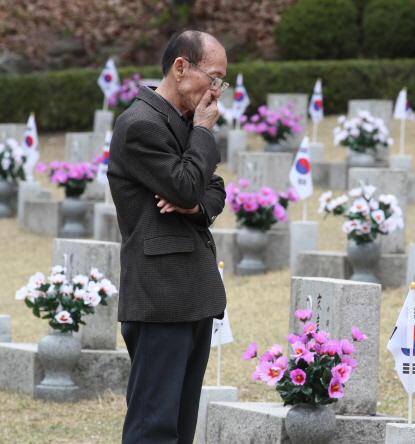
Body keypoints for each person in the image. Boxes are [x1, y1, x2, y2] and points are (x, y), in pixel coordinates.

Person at [107, 29, 227, 444]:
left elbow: (212, 188)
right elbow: (188, 184)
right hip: (160, 297)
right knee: (153, 427)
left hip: (191, 293)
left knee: (179, 427)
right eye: (213, 77)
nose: (217, 90)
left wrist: (194, 205)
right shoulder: (140, 124)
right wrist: (204, 135)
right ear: (181, 67)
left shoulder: (180, 124)